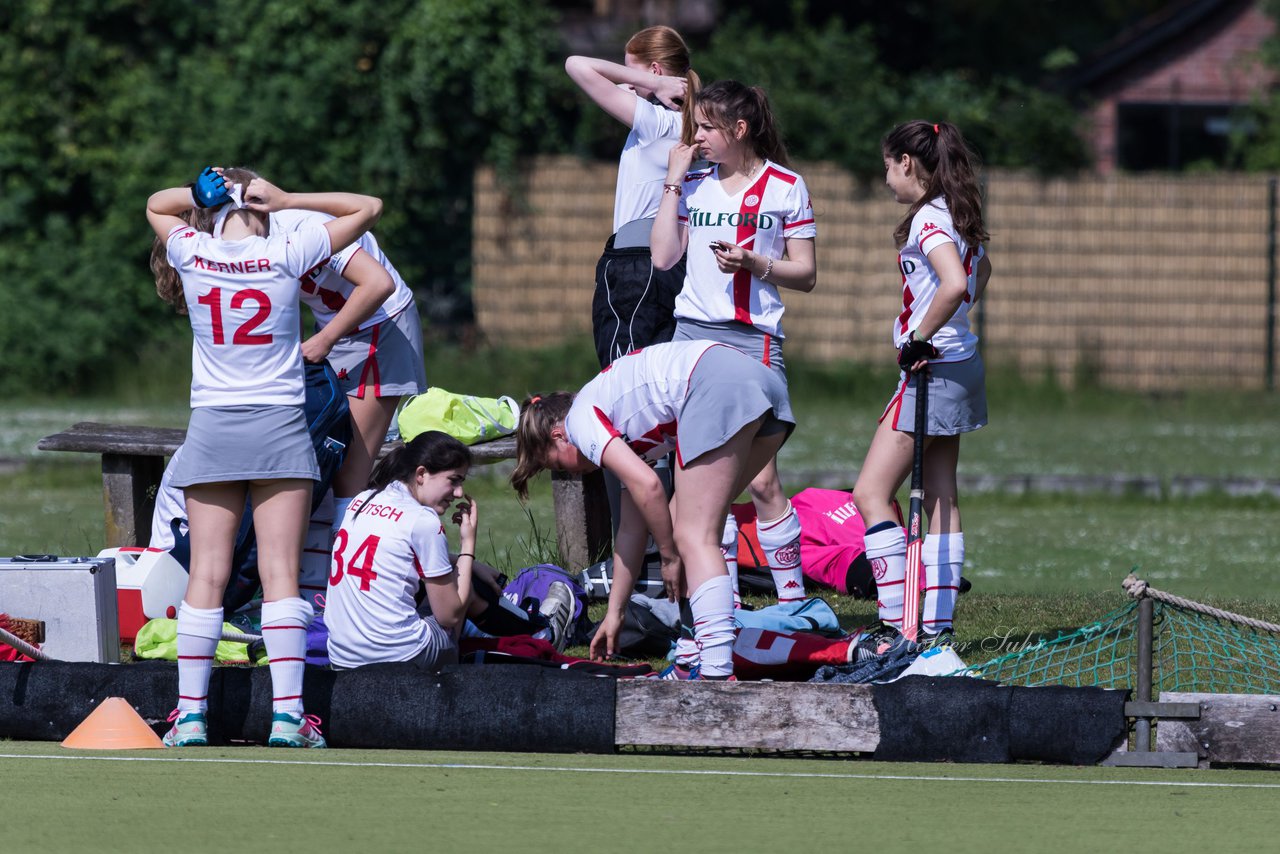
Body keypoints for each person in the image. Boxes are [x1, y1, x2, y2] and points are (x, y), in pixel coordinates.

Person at [146, 166, 382, 748]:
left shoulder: (191, 251)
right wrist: (290, 197)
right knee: (281, 575)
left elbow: (156, 204)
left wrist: (206, 194)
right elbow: (368, 206)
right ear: (259, 204)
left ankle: (192, 718)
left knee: (206, 573)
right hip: (279, 426)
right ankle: (287, 718)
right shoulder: (286, 250)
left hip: (215, 427)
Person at [510, 340, 795, 680]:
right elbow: (631, 529)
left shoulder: (580, 422)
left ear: (559, 435)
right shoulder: (618, 421)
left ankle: (717, 673)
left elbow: (650, 486)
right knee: (688, 520)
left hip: (717, 385)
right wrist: (614, 613)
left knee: (692, 535)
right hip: (765, 388)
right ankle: (691, 655)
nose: (569, 472)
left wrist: (669, 556)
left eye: (553, 463)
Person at [650, 79, 817, 616]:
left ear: (738, 130)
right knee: (701, 473)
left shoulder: (786, 185)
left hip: (752, 342)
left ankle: (794, 604)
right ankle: (722, 607)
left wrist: (754, 263)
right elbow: (662, 258)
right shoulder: (692, 184)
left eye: (705, 126)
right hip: (691, 339)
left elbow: (806, 273)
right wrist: (672, 184)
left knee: (761, 477)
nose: (695, 136)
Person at [850, 120, 992, 654]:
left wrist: (921, 336)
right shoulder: (957, 214)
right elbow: (982, 272)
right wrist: (952, 328)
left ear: (907, 162)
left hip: (932, 371)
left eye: (888, 166)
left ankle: (897, 622)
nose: (886, 178)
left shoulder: (930, 220)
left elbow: (955, 283)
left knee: (869, 492)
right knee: (941, 495)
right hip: (962, 367)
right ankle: (937, 627)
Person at [325, 431, 577, 670]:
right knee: (464, 589)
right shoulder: (422, 520)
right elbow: (449, 616)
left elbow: (393, 552)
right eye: (453, 481)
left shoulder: (363, 499)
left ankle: (516, 628)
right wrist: (468, 547)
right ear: (421, 473)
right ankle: (543, 633)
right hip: (403, 658)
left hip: (342, 658)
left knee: (457, 575)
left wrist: (465, 563)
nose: (458, 493)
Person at [564, 25, 699, 367]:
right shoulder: (693, 125)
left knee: (620, 376)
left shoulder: (655, 123)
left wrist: (653, 86)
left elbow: (575, 64)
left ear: (655, 70)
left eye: (630, 68)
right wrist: (642, 89)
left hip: (633, 266)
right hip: (675, 265)